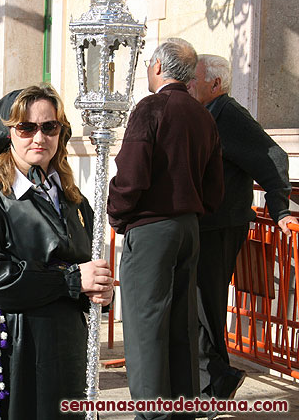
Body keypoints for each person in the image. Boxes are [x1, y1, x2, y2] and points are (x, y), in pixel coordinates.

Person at [0, 84, 114, 420]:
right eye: (26, 127)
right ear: (8, 133)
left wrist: (100, 287)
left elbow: (85, 265)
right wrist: (70, 280)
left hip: (64, 341)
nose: (39, 137)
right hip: (11, 340)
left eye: (49, 127)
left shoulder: (72, 198)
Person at [107, 38, 224, 419]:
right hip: (187, 228)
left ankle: (154, 413)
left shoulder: (152, 107)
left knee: (146, 328)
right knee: (181, 327)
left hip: (154, 227)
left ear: (157, 66)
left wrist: (117, 213)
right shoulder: (203, 114)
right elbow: (214, 185)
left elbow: (131, 173)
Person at [187, 54, 297, 402]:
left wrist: (280, 209)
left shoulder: (229, 115)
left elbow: (273, 158)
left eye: (195, 79)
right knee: (198, 309)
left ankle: (215, 385)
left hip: (221, 227)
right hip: (204, 225)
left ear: (215, 84)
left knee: (208, 308)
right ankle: (212, 381)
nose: (188, 84)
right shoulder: (205, 114)